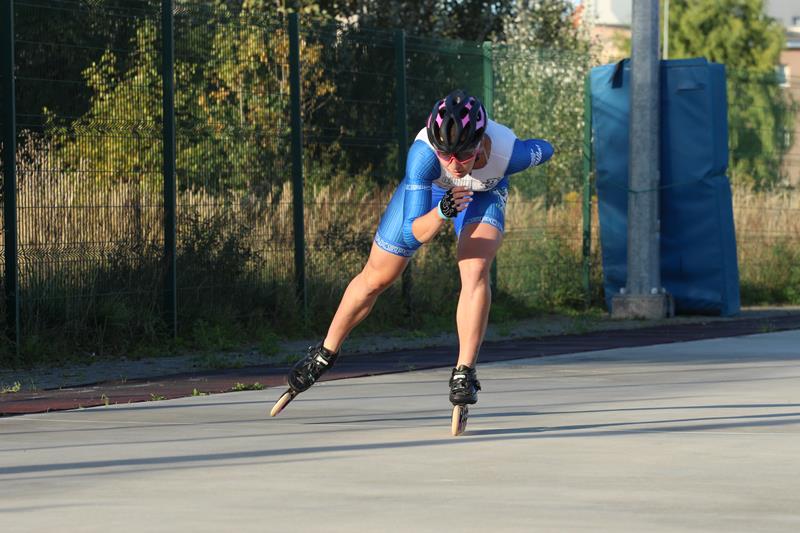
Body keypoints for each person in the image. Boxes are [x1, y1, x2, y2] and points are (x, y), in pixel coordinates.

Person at [281, 89, 553, 412]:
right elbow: (414, 233)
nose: (454, 164)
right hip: (433, 193)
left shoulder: (510, 154)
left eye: (463, 154)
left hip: (484, 194)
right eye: (446, 154)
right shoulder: (423, 156)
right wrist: (442, 211)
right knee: (377, 277)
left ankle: (464, 371)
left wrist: (540, 150)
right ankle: (325, 353)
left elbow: (545, 148)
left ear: (481, 142)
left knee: (475, 268)